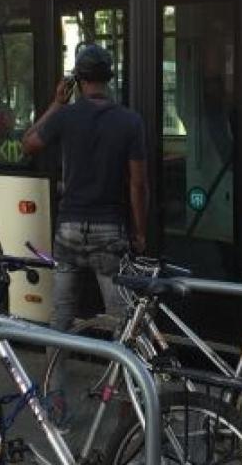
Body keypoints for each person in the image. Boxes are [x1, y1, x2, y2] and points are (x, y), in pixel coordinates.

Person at [22, 44, 148, 333]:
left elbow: (28, 143)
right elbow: (138, 184)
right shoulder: (131, 121)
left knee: (62, 316)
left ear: (78, 80)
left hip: (69, 228)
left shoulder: (65, 117)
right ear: (110, 78)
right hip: (109, 229)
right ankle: (122, 377)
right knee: (122, 321)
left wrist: (57, 104)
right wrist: (139, 232)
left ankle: (55, 378)